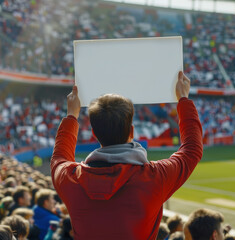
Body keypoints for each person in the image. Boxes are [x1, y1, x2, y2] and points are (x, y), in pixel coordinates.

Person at [51, 71, 203, 239]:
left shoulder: (71, 179)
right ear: (131, 131)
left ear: (94, 133)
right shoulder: (154, 177)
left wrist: (72, 116)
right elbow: (192, 149)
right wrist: (183, 99)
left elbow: (59, 158)